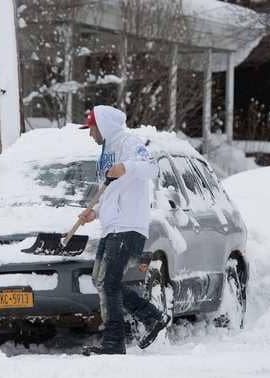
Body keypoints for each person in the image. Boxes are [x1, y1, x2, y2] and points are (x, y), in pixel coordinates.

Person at [78, 105, 170, 356]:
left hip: (129, 226)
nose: (91, 135)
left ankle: (114, 343)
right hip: (112, 227)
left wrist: (126, 167)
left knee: (109, 283)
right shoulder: (106, 152)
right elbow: (110, 193)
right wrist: (95, 213)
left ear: (103, 126)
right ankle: (151, 317)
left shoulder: (130, 143)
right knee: (101, 280)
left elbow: (152, 168)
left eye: (92, 129)